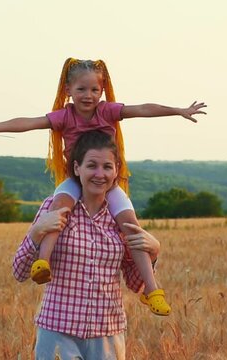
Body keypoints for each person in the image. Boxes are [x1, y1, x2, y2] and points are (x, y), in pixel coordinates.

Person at [0, 58, 206, 315]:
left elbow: (142, 109)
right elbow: (29, 122)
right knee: (58, 211)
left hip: (108, 184)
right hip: (75, 179)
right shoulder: (64, 116)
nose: (88, 95)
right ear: (68, 90)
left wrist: (178, 110)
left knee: (131, 227)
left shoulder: (107, 111)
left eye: (94, 89)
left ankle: (152, 290)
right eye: (81, 89)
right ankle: (42, 263)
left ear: (102, 91)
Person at [13, 131, 163, 359]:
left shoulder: (121, 219)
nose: (100, 174)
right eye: (92, 165)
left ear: (116, 171)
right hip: (57, 331)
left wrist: (153, 253)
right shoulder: (53, 208)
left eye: (107, 167)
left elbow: (135, 284)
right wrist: (36, 232)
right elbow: (20, 272)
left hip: (108, 336)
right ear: (77, 168)